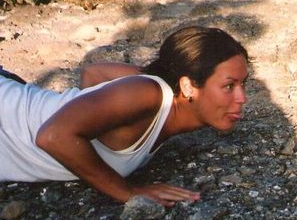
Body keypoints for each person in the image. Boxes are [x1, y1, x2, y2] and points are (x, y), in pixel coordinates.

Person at [0, 26, 249, 206]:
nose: (242, 98)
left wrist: (99, 115)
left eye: (243, 85)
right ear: (187, 86)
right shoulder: (147, 94)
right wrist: (128, 192)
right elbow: (53, 136)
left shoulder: (156, 91)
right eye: (229, 86)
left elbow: (94, 75)